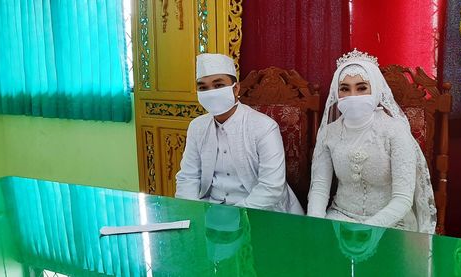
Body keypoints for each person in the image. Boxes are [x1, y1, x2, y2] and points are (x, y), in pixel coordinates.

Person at [307, 49, 436, 233]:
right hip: (341, 216)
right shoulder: (329, 132)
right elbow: (319, 188)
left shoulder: (395, 131)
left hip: (391, 222)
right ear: (337, 93)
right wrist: (315, 226)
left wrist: (366, 230)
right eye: (345, 89)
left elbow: (403, 199)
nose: (353, 96)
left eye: (361, 88)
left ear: (375, 89)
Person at [175, 53, 303, 214]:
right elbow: (188, 177)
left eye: (218, 85)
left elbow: (271, 187)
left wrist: (232, 216)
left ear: (235, 89)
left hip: (259, 210)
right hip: (210, 208)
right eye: (203, 87)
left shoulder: (264, 127)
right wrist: (192, 213)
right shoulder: (197, 127)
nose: (211, 92)